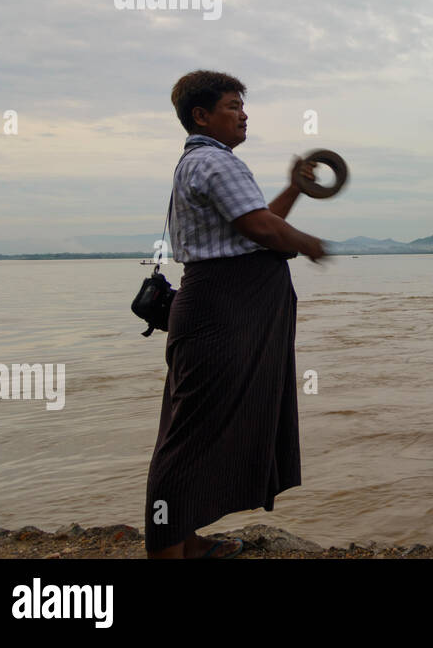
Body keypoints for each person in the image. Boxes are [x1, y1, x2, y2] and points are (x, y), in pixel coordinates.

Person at [144, 70, 328, 559]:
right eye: (231, 106)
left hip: (221, 307)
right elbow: (262, 229)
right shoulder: (215, 162)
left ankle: (185, 540)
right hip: (222, 309)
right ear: (201, 115)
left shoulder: (204, 163)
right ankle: (166, 550)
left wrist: (292, 191)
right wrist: (310, 245)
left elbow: (253, 226)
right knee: (189, 436)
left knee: (195, 426)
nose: (243, 114)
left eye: (242, 105)